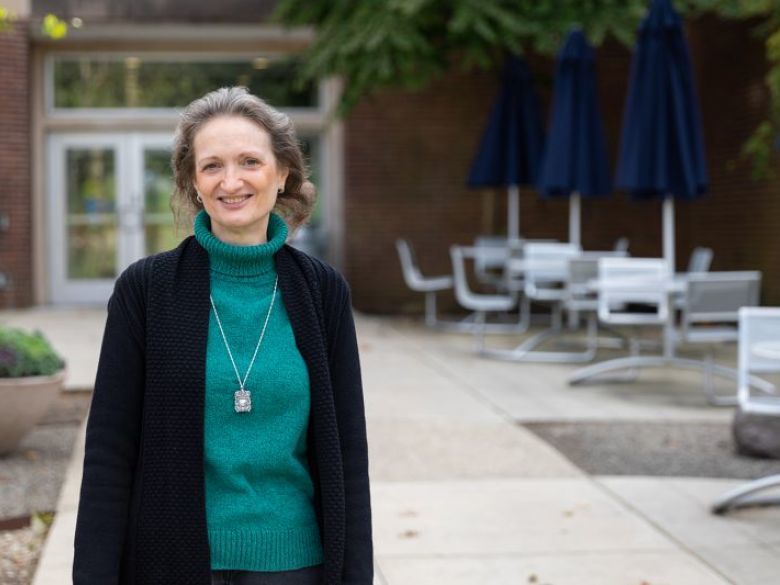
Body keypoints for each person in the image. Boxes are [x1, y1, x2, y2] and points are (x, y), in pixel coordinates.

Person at [73, 86, 373, 585]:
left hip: (295, 564)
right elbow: (109, 452)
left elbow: (348, 452)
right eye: (212, 165)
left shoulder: (322, 292)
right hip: (170, 563)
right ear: (193, 182)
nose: (230, 181)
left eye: (250, 162)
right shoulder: (144, 291)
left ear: (283, 176)